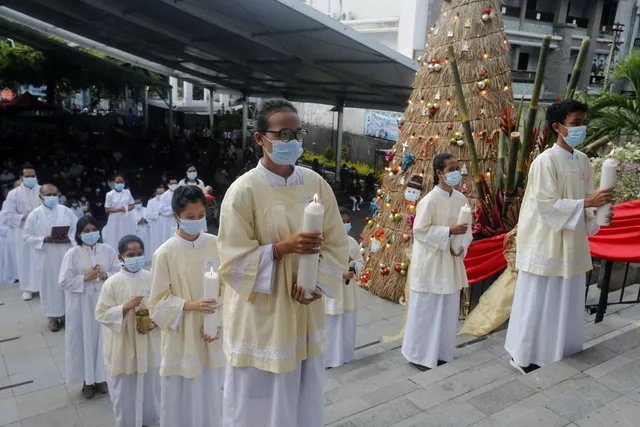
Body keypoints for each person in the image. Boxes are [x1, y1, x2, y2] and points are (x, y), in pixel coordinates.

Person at [217, 98, 349, 427]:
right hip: (263, 314)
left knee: (303, 397)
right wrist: (281, 248)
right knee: (258, 401)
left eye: (297, 133)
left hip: (304, 308)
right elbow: (232, 262)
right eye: (283, 135)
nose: (292, 141)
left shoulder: (315, 184)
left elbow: (336, 242)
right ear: (259, 138)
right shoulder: (243, 191)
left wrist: (314, 284)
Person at [505, 100, 614, 375]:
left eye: (582, 122)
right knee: (539, 300)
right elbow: (546, 204)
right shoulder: (545, 161)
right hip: (547, 243)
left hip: (574, 243)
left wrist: (598, 214)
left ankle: (561, 350)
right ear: (557, 127)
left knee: (567, 300)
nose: (581, 128)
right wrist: (588, 202)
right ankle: (525, 355)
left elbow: (588, 201)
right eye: (576, 123)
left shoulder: (584, 160)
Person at [149, 186, 224, 427]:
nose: (197, 221)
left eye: (201, 215)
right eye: (190, 217)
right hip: (181, 334)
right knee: (183, 393)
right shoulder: (165, 253)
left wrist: (218, 322)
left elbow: (227, 290)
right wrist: (190, 305)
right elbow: (157, 303)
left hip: (212, 330)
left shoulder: (215, 244)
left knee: (212, 391)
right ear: (176, 216)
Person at [401, 153, 472, 371]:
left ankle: (442, 352)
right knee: (427, 309)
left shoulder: (461, 199)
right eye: (451, 169)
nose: (455, 173)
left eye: (457, 167)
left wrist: (460, 245)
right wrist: (448, 231)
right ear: (439, 173)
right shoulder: (428, 201)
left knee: (448, 309)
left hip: (450, 261)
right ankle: (419, 354)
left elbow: (467, 228)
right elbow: (420, 231)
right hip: (431, 263)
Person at [95, 235, 161, 427]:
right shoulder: (112, 283)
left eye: (139, 254)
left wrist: (155, 321)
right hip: (123, 346)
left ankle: (151, 421)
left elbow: (162, 305)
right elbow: (101, 314)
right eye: (130, 254)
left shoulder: (151, 278)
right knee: (125, 393)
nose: (135, 258)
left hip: (148, 341)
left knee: (151, 389)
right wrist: (125, 307)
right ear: (120, 257)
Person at [59, 216, 120, 399]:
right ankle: (87, 380)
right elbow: (63, 281)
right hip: (82, 304)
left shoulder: (107, 249)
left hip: (104, 300)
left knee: (103, 340)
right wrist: (85, 277)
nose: (91, 233)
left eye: (94, 229)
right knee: (83, 340)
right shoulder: (72, 253)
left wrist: (103, 275)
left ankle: (102, 378)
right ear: (79, 234)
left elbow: (119, 269)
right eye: (86, 230)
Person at [23, 184, 77, 332]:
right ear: (41, 197)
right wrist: (44, 239)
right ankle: (52, 318)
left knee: (66, 284)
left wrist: (69, 238)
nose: (52, 197)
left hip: (65, 253)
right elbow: (27, 236)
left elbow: (76, 229)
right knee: (49, 286)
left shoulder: (66, 211)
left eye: (54, 194)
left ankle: (67, 316)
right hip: (46, 256)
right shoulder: (34, 214)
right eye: (48, 195)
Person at [325, 208, 363, 368]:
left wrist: (353, 268)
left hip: (348, 292)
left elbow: (360, 261)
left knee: (347, 323)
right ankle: (329, 359)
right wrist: (340, 274)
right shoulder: (326, 243)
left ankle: (346, 356)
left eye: (348, 222)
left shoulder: (353, 242)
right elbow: (322, 266)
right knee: (332, 325)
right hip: (333, 293)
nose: (346, 225)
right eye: (342, 222)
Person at [0, 167, 41, 300]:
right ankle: (27, 288)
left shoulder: (43, 190)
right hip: (22, 231)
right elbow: (7, 214)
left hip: (41, 230)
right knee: (25, 259)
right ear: (21, 178)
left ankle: (42, 286)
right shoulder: (13, 194)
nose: (30, 178)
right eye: (27, 176)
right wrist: (25, 217)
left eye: (32, 175)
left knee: (40, 259)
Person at [102, 175, 136, 248]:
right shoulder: (109, 194)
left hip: (126, 218)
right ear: (113, 183)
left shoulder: (127, 192)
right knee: (115, 236)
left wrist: (126, 209)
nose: (120, 183)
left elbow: (132, 205)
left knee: (127, 234)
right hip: (115, 219)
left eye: (121, 182)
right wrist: (119, 209)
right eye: (118, 182)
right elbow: (107, 209)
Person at [158, 179, 178, 244]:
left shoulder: (179, 194)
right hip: (168, 221)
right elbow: (161, 210)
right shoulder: (164, 195)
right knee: (168, 239)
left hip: (178, 219)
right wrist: (174, 208)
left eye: (175, 183)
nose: (174, 185)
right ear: (168, 185)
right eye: (172, 183)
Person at [131, 198, 152, 263]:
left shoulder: (146, 210)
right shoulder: (131, 212)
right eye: (136, 203)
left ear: (141, 202)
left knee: (148, 244)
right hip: (137, 231)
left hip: (147, 229)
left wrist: (146, 220)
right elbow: (130, 223)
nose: (138, 204)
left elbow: (151, 218)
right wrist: (138, 223)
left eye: (139, 203)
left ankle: (149, 258)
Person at [145, 186, 164, 256]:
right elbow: (149, 215)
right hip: (156, 226)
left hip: (165, 225)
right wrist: (159, 213)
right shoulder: (151, 202)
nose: (161, 195)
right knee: (156, 243)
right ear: (155, 193)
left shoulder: (169, 200)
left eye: (162, 193)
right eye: (159, 193)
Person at [0, 212, 17, 286]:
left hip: (16, 242)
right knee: (5, 264)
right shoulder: (1, 214)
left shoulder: (16, 215)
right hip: (4, 243)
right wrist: (14, 230)